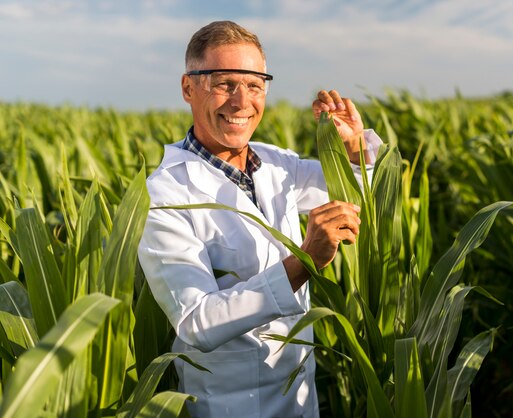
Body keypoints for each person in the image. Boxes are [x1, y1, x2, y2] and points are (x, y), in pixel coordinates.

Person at [138, 20, 382, 418]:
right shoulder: (164, 194)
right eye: (223, 83)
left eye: (254, 85)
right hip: (231, 405)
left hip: (300, 397)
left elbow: (359, 194)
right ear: (188, 88)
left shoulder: (277, 163)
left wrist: (353, 149)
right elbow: (196, 322)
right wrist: (304, 262)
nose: (241, 101)